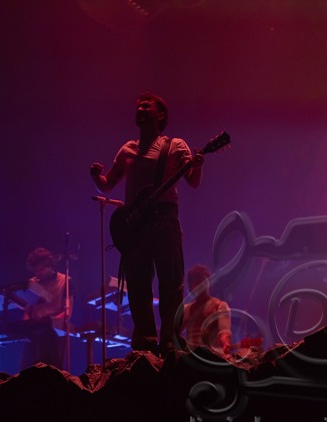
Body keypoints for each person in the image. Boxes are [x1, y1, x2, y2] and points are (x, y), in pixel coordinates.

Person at [90, 92, 204, 356]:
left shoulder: (175, 145)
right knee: (138, 283)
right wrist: (96, 176)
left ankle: (170, 340)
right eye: (138, 107)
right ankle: (145, 340)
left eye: (146, 106)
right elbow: (107, 185)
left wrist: (198, 164)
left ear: (161, 114)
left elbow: (193, 181)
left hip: (165, 218)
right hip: (136, 224)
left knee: (171, 281)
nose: (140, 109)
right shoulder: (127, 149)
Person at [20, 247, 73, 370]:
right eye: (35, 271)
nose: (38, 273)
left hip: (55, 334)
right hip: (33, 333)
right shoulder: (33, 282)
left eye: (41, 269)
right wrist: (25, 326)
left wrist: (50, 323)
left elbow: (67, 312)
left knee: (50, 371)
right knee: (26, 371)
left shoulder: (65, 281)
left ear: (50, 265)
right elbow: (28, 310)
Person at [181, 264, 231, 354]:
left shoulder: (220, 306)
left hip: (212, 355)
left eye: (201, 280)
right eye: (195, 282)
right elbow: (174, 334)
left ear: (209, 282)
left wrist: (226, 344)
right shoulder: (186, 308)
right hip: (190, 355)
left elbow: (224, 332)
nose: (199, 285)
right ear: (190, 286)